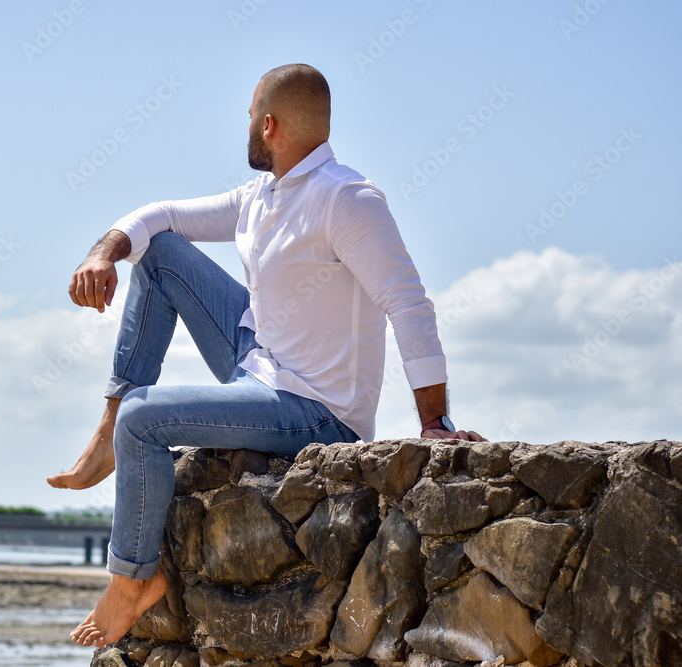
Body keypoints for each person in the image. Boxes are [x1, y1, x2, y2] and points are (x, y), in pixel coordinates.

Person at [48, 63, 484, 648]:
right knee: (159, 254)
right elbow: (161, 216)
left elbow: (408, 304)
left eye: (251, 114)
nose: (246, 123)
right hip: (257, 364)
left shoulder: (347, 200)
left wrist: (434, 422)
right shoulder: (262, 195)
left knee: (144, 418)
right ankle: (108, 428)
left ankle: (132, 578)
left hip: (316, 411)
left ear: (269, 124)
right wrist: (104, 252)